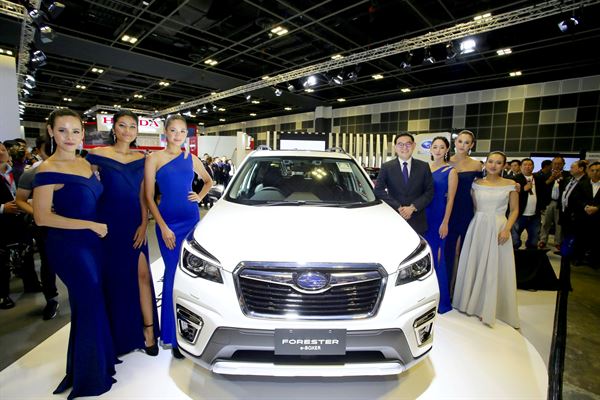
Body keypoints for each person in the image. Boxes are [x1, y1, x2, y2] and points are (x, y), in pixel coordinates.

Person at [32, 109, 117, 399]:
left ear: (83, 133)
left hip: (94, 243)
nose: (70, 137)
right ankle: (90, 377)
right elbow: (42, 217)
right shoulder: (47, 170)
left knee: (91, 303)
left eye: (76, 131)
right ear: (51, 131)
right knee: (90, 302)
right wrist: (89, 225)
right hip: (70, 246)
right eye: (62, 130)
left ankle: (94, 365)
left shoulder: (84, 162)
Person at [87, 110, 159, 356]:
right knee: (115, 279)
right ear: (114, 128)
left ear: (137, 131)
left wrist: (143, 223)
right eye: (122, 125)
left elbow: (144, 196)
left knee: (142, 276)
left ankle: (149, 332)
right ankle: (118, 336)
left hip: (134, 223)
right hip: (107, 224)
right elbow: (87, 188)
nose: (127, 131)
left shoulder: (143, 158)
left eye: (132, 126)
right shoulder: (97, 155)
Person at [144, 115, 213, 359]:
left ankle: (190, 332)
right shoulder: (154, 158)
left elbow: (208, 181)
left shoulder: (191, 158)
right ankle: (172, 337)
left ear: (187, 134)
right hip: (168, 224)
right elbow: (148, 197)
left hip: (191, 221)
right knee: (172, 275)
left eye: (182, 131)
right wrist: (162, 227)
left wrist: (200, 196)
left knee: (189, 275)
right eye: (173, 130)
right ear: (165, 132)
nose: (177, 135)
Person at [452, 151, 520, 329]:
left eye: (498, 162)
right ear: (485, 163)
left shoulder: (511, 185)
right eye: (490, 161)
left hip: (499, 227)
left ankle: (489, 307)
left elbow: (514, 210)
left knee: (494, 267)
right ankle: (473, 303)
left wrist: (507, 229)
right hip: (478, 227)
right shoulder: (476, 184)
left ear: (504, 165)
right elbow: (474, 207)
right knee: (476, 263)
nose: (493, 165)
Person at [14, 136, 59, 319]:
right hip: (45, 227)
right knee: (48, 263)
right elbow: (20, 200)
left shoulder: (77, 168)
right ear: (39, 150)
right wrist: (39, 212)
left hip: (74, 225)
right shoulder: (32, 173)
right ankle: (51, 299)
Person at [444, 130, 483, 292]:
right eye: (460, 141)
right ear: (455, 142)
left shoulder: (477, 165)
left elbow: (484, 186)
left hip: (466, 209)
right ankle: (446, 289)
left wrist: (512, 184)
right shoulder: (446, 162)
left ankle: (461, 290)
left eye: (467, 142)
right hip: (447, 210)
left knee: (464, 250)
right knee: (447, 249)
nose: (462, 145)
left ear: (471, 145)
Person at [374, 132, 434, 235]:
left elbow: (429, 192)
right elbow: (378, 190)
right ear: (395, 147)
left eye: (408, 144)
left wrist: (412, 208)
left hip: (417, 220)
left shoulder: (423, 166)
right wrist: (399, 207)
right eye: (400, 144)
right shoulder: (386, 167)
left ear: (414, 146)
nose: (404, 147)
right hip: (395, 217)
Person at [424, 136, 457, 314]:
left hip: (438, 217)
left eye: (441, 147)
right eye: (435, 147)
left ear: (447, 150)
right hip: (423, 216)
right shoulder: (424, 168)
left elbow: (451, 199)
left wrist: (445, 222)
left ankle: (442, 301)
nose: (438, 150)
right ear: (430, 149)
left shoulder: (451, 171)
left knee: (438, 257)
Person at [560, 160, 590, 264]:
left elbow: (585, 199)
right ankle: (566, 253)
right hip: (566, 213)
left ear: (581, 169)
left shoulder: (586, 182)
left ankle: (576, 256)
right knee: (566, 235)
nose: (570, 169)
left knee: (577, 237)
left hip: (577, 215)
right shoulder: (570, 179)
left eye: (573, 167)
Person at [511, 158, 545, 249]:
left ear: (533, 167)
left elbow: (543, 193)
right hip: (519, 214)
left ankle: (530, 255)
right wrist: (523, 189)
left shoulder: (538, 178)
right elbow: (510, 195)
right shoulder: (515, 179)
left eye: (530, 165)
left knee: (533, 241)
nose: (527, 167)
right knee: (514, 241)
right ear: (521, 167)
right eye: (525, 165)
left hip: (535, 215)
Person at [539, 156, 569, 250]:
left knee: (559, 224)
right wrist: (551, 178)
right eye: (555, 163)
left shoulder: (567, 175)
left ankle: (558, 242)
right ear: (552, 164)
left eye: (559, 164)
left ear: (563, 164)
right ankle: (543, 240)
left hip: (560, 202)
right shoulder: (546, 174)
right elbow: (542, 187)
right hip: (549, 201)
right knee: (545, 223)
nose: (557, 165)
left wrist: (561, 178)